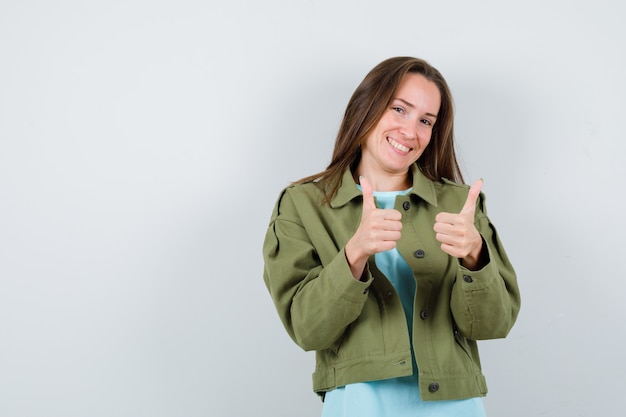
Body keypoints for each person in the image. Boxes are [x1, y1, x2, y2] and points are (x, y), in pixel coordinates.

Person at [262, 56, 521, 416]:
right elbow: (307, 329)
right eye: (399, 109)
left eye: (426, 120)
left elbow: (494, 324)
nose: (410, 131)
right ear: (366, 106)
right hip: (359, 405)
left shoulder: (460, 204)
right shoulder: (303, 204)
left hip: (456, 405)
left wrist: (475, 256)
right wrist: (354, 254)